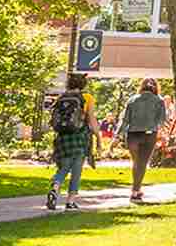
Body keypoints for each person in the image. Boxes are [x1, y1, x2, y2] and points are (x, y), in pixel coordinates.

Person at [46, 74, 98, 211]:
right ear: (83, 84)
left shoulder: (61, 98)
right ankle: (70, 201)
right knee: (76, 170)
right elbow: (91, 120)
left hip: (63, 137)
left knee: (64, 166)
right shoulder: (87, 98)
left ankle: (55, 186)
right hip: (80, 136)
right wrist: (98, 137)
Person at [110, 79, 168, 202]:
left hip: (132, 135)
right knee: (142, 163)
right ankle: (135, 190)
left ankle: (136, 189)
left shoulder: (132, 100)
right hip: (149, 134)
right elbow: (162, 120)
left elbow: (125, 120)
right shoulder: (159, 100)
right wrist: (159, 131)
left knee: (136, 162)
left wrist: (117, 136)